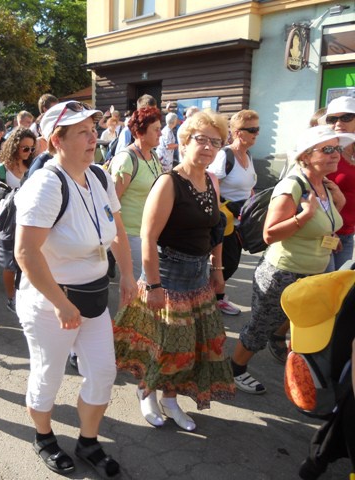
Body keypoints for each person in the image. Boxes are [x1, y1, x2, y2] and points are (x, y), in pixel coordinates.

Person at [14, 101, 136, 478]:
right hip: (51, 301)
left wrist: (128, 276)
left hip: (94, 297)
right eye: (82, 132)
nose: (93, 137)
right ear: (57, 140)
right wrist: (61, 303)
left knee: (103, 372)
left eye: (93, 129)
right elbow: (25, 252)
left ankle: (88, 441)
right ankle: (44, 436)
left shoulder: (98, 176)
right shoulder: (46, 184)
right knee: (48, 375)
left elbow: (115, 232)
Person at [114, 111, 235, 431]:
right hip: (166, 280)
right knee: (161, 346)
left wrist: (217, 269)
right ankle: (147, 393)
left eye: (216, 142)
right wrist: (153, 286)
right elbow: (149, 238)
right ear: (184, 142)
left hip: (197, 281)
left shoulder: (211, 180)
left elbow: (216, 229)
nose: (209, 147)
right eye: (202, 139)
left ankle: (171, 399)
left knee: (184, 349)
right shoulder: (169, 182)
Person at [231, 125, 353, 395]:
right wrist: (304, 217)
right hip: (283, 273)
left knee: (303, 325)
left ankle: (299, 371)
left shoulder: (324, 184)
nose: (336, 154)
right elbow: (270, 233)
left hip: (313, 270)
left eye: (338, 148)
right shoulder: (293, 186)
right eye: (328, 149)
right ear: (307, 156)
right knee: (260, 327)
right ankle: (235, 370)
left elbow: (325, 222)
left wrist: (336, 211)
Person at [207, 110, 260, 317]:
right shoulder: (225, 155)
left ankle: (215, 298)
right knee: (226, 263)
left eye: (258, 129)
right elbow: (211, 184)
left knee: (230, 262)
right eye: (252, 129)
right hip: (225, 219)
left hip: (242, 219)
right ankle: (212, 300)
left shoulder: (248, 155)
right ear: (238, 132)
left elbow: (249, 186)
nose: (256, 133)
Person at [108, 106, 163, 280]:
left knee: (148, 283)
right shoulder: (126, 160)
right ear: (140, 132)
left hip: (150, 232)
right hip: (130, 234)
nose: (160, 134)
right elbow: (111, 203)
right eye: (156, 129)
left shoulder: (153, 156)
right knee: (141, 284)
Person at [0, 127, 37, 313]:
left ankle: (25, 294)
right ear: (14, 147)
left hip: (28, 223)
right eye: (25, 148)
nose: (29, 152)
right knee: (10, 264)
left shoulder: (33, 168)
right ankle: (11, 298)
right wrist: (2, 224)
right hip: (7, 225)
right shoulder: (1, 170)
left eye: (32, 149)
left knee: (27, 261)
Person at [325, 96, 355, 271]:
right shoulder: (327, 151)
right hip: (326, 233)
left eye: (345, 117)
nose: (338, 123)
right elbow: (310, 192)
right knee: (324, 288)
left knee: (340, 288)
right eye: (332, 119)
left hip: (348, 232)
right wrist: (328, 229)